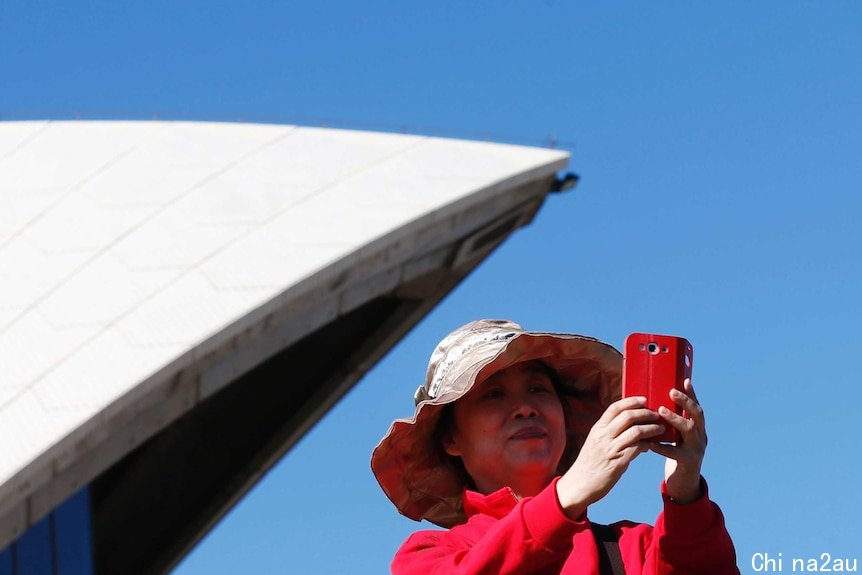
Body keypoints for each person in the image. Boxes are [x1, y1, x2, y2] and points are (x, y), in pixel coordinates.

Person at [371, 319, 739, 574]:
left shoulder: (636, 548)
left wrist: (685, 495)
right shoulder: (427, 558)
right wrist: (565, 498)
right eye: (493, 394)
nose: (526, 407)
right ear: (451, 439)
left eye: (538, 389)